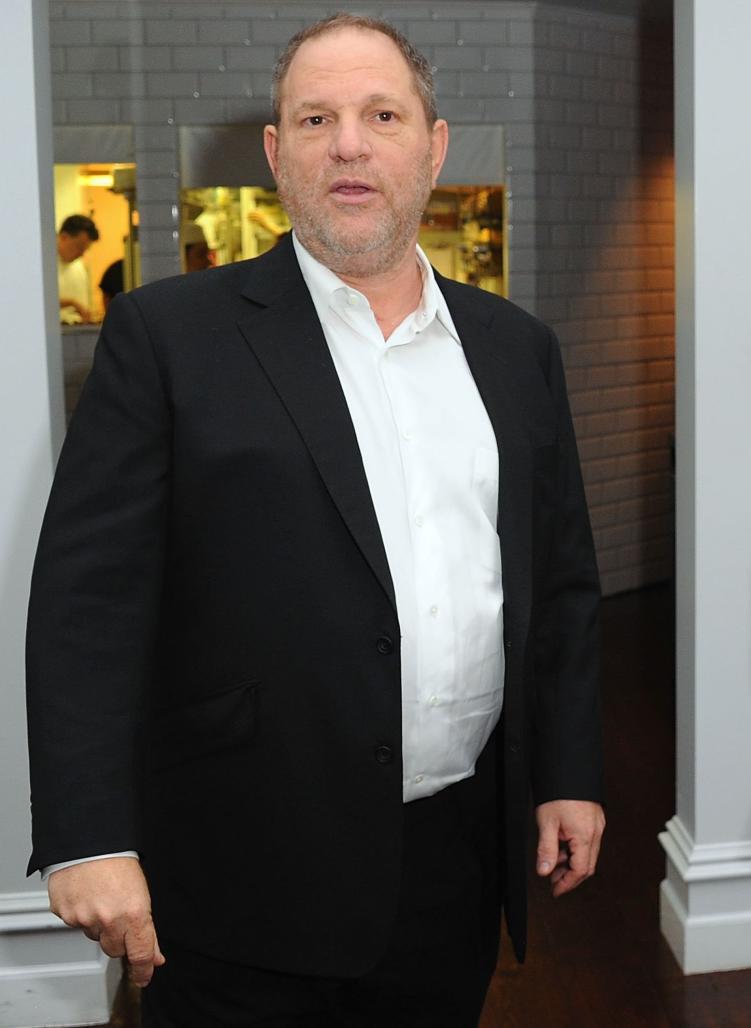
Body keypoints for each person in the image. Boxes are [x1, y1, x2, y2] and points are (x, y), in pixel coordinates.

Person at [27, 14, 605, 1026]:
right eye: (316, 117)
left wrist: (566, 773)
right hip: (239, 873)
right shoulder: (168, 338)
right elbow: (88, 606)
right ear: (275, 153)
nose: (348, 142)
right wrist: (87, 831)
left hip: (455, 864)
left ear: (433, 147)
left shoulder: (517, 348)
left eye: (382, 114)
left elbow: (557, 584)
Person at [56, 213, 99, 324]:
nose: (81, 254)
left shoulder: (79, 268)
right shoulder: (43, 265)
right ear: (63, 237)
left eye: (85, 249)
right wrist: (71, 303)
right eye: (79, 247)